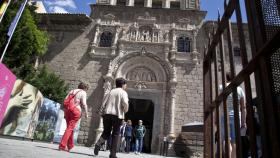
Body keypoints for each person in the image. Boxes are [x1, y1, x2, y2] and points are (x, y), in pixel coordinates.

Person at [94, 78, 129, 158]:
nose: (126, 86)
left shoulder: (111, 91)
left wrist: (102, 111)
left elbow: (104, 102)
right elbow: (125, 104)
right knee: (115, 134)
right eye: (125, 84)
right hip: (117, 115)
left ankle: (98, 144)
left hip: (107, 114)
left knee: (106, 132)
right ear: (123, 84)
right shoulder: (123, 92)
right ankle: (112, 154)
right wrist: (125, 110)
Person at [220, 72, 246, 158]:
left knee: (226, 140)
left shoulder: (221, 87)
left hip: (225, 116)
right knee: (234, 141)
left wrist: (216, 118)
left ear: (226, 78)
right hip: (236, 116)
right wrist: (243, 122)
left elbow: (218, 104)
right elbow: (243, 107)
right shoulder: (239, 89)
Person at [59, 82, 89, 152]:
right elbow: (84, 104)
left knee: (69, 128)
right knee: (70, 128)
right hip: (76, 110)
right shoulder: (83, 92)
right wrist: (86, 113)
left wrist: (65, 110)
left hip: (67, 110)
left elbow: (65, 100)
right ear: (84, 88)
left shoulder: (72, 91)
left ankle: (70, 145)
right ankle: (62, 146)